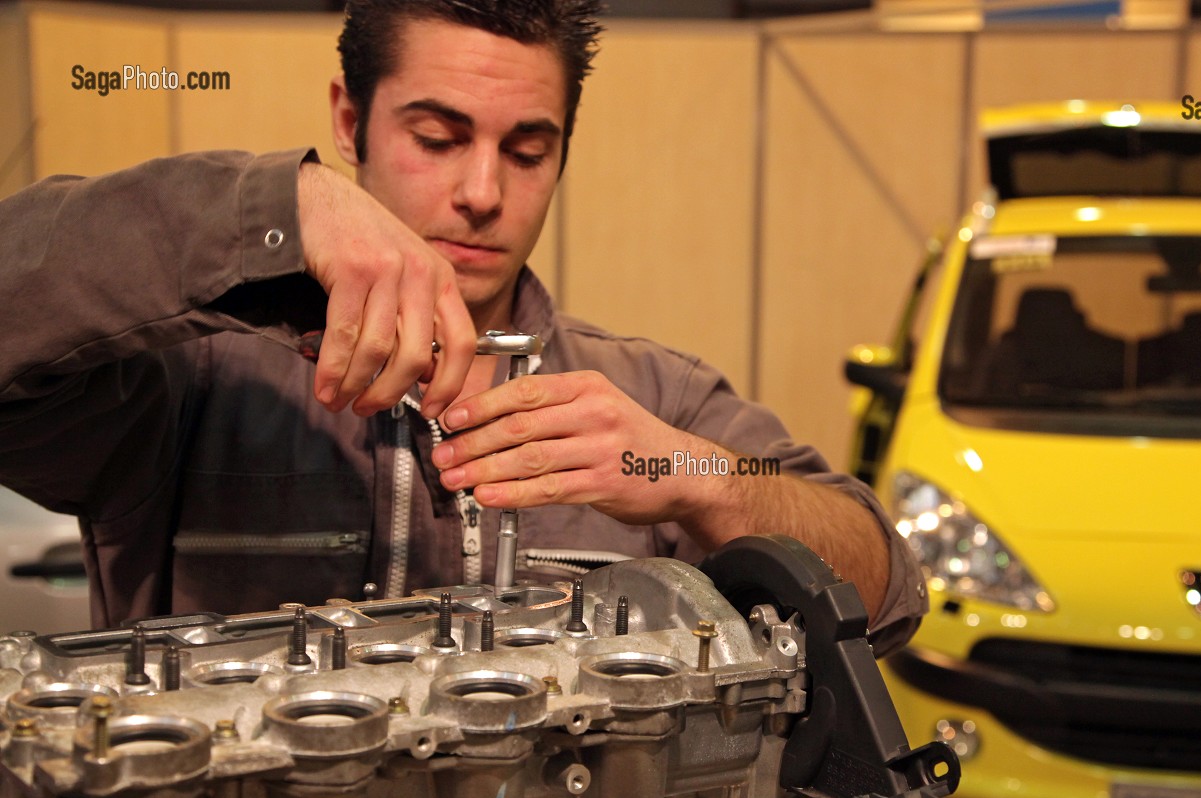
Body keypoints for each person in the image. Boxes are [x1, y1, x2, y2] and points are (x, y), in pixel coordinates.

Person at [0, 0, 925, 654]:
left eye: (528, 150)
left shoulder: (652, 397)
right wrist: (278, 205)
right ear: (350, 121)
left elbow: (886, 586)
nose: (484, 194)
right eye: (437, 138)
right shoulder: (192, 382)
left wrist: (688, 471)